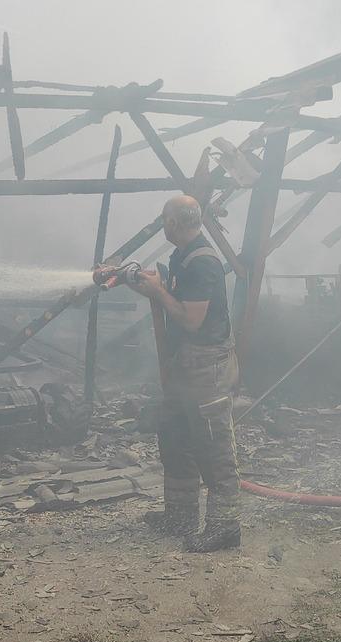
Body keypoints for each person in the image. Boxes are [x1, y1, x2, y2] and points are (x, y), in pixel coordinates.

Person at [123, 194, 242, 553]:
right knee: (174, 435)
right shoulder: (182, 256)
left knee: (212, 446)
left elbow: (192, 320)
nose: (162, 224)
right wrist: (146, 282)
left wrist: (158, 290)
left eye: (164, 219)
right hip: (184, 365)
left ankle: (224, 526)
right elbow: (173, 296)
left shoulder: (204, 262)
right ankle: (180, 515)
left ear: (175, 223)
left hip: (207, 366)